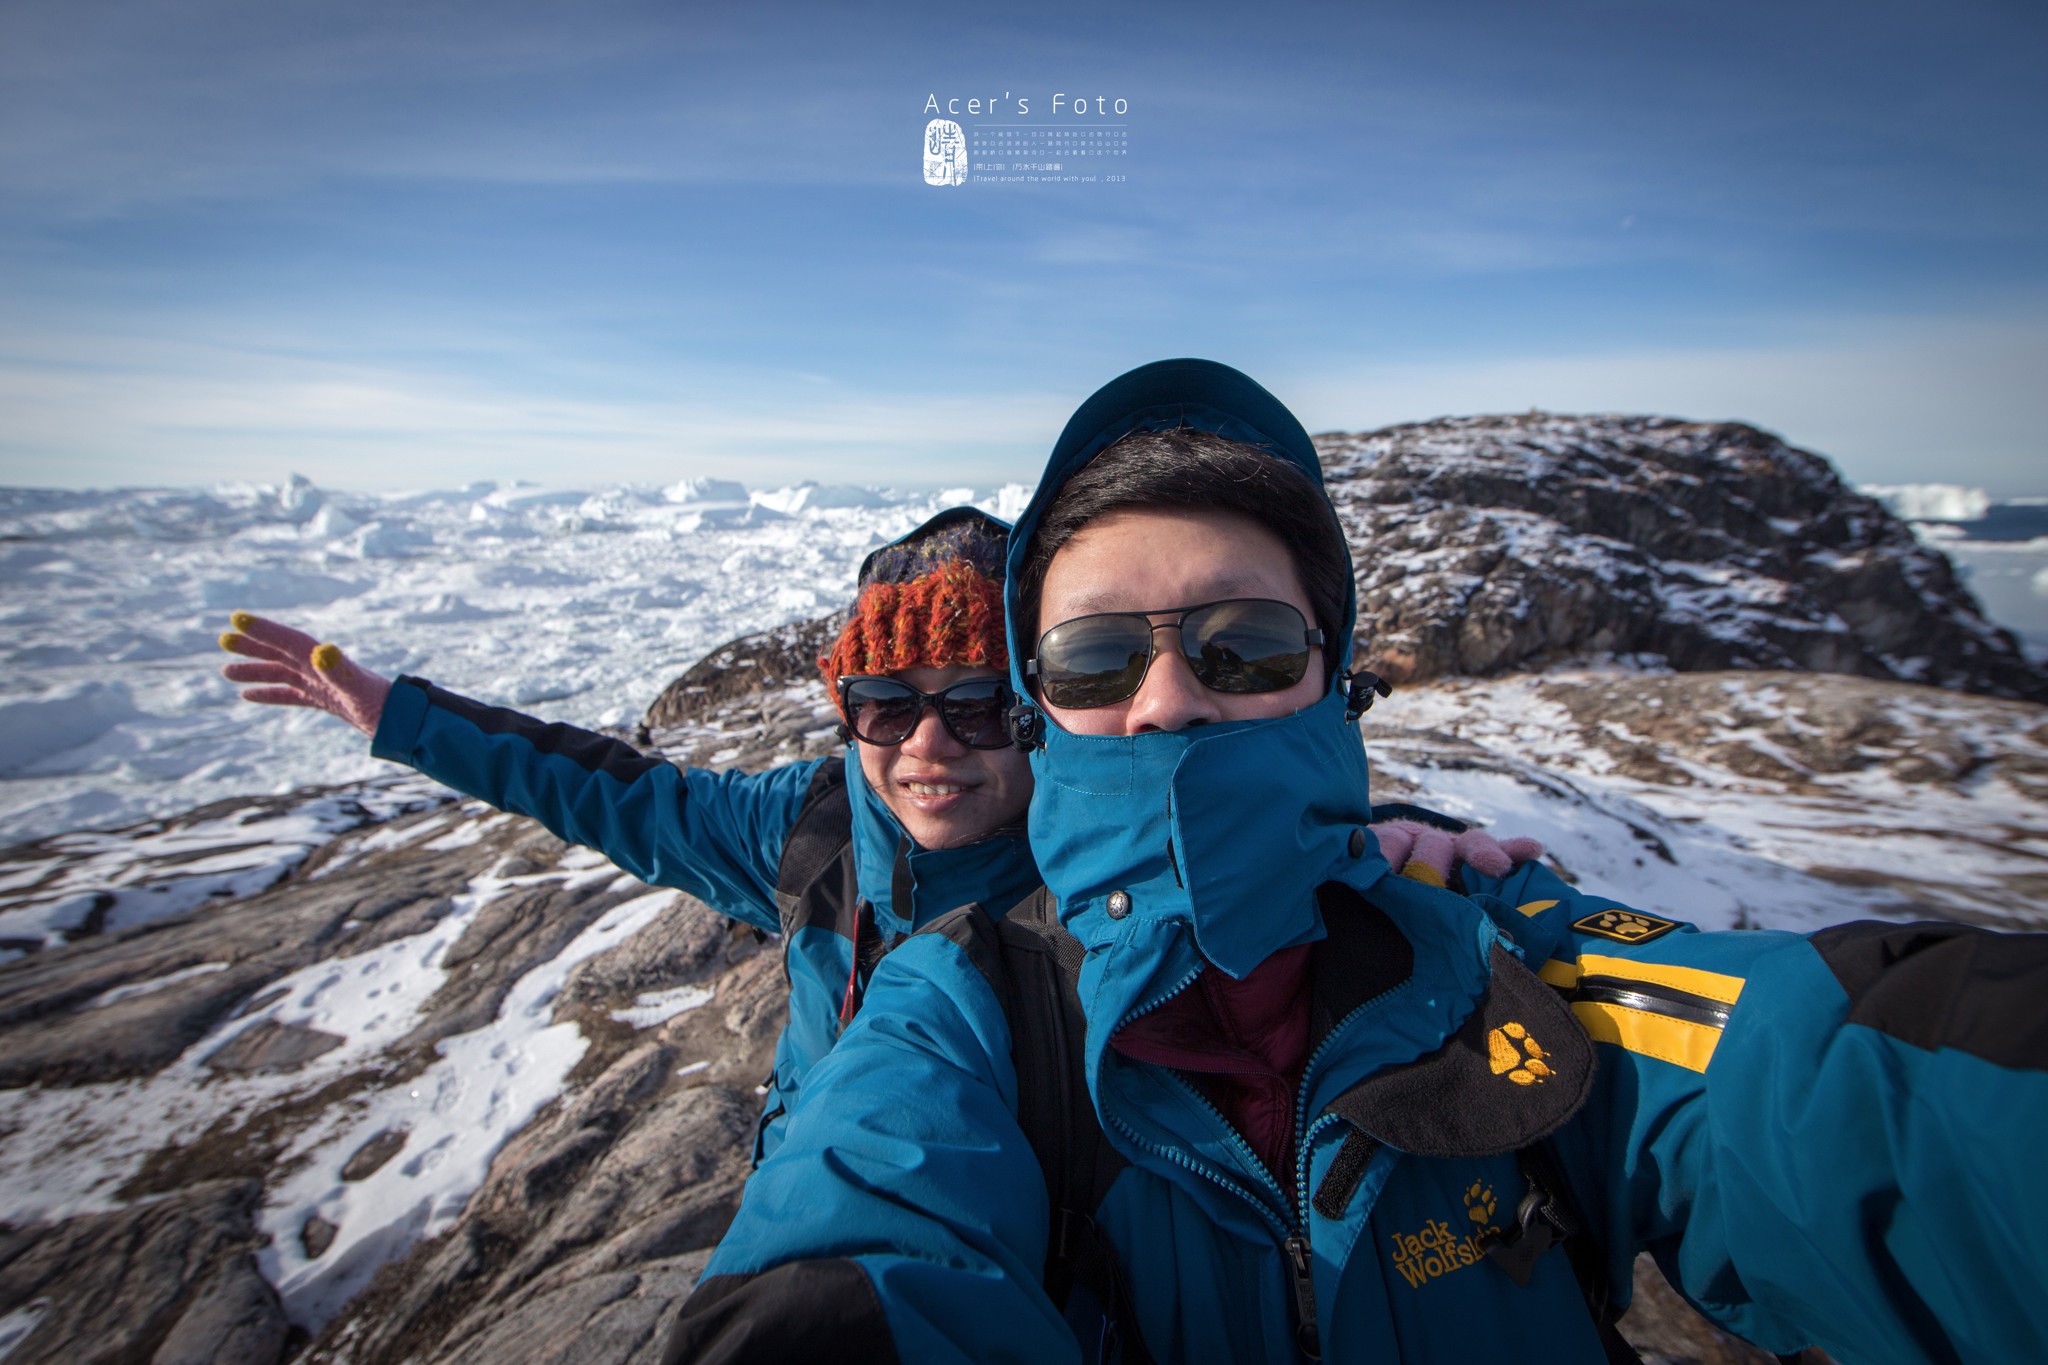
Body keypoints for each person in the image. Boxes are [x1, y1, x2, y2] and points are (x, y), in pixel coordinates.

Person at [667, 360, 2048, 1364]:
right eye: (1098, 656)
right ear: (1047, 708)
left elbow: (1822, 1097)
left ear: (1331, 684)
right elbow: (869, 1232)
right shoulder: (963, 1006)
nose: (1166, 701)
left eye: (1247, 647)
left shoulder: (1503, 954)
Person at [220, 502, 1537, 1165]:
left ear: (1041, 715)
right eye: (883, 705)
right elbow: (600, 786)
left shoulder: (1106, 854)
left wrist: (1402, 838)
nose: (925, 745)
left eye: (978, 706)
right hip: (823, 1171)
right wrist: (399, 713)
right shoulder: (802, 826)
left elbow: (1260, 825)